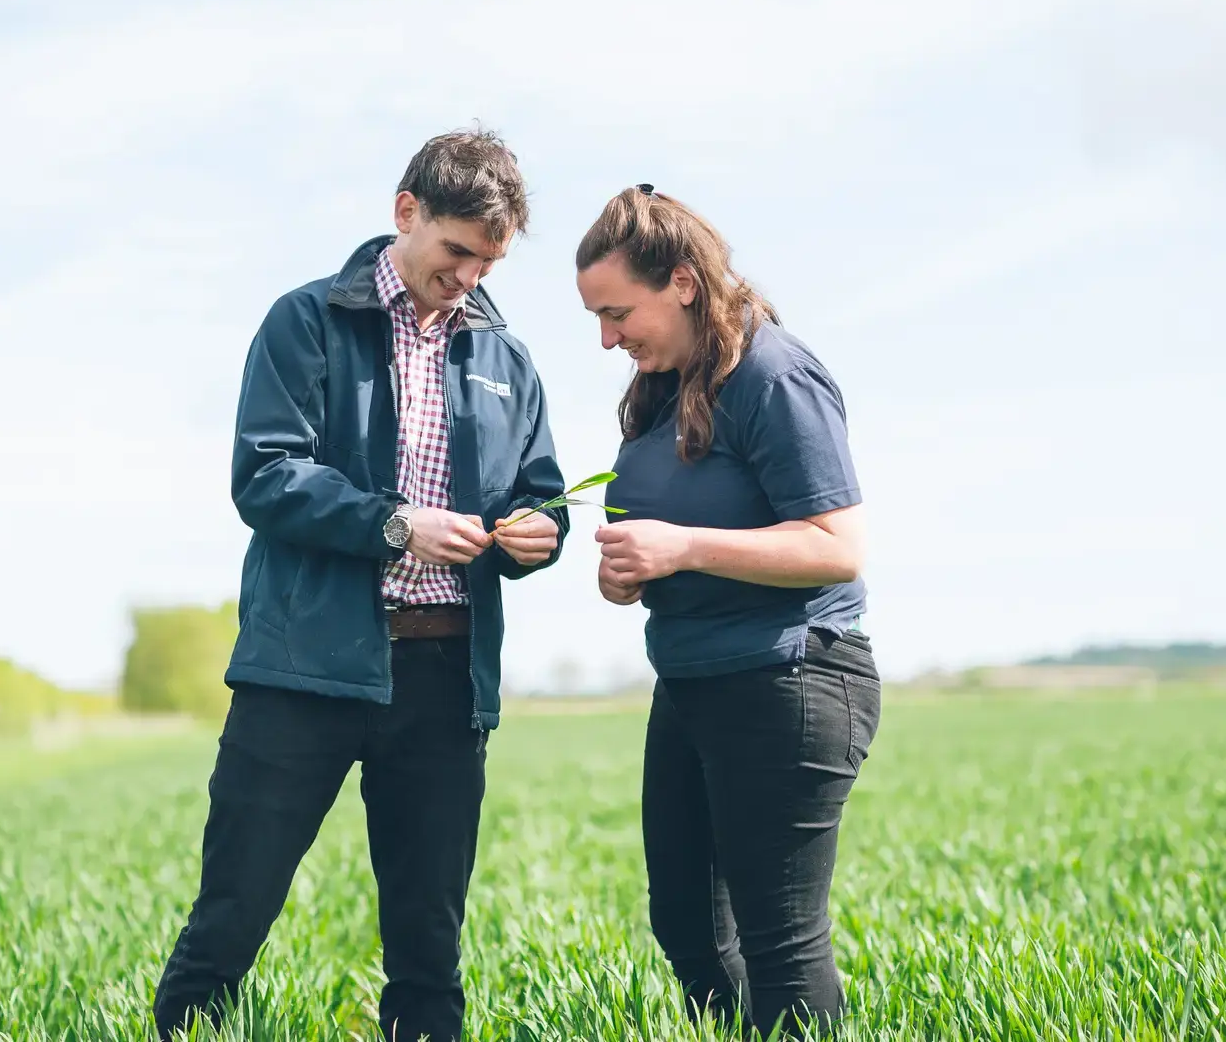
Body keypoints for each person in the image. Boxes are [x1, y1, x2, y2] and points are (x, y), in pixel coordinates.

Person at [153, 128, 568, 1042]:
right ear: (405, 212)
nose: (469, 276)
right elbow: (264, 474)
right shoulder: (304, 323)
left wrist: (541, 533)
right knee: (233, 911)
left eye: (488, 261)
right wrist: (396, 523)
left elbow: (540, 493)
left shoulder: (508, 362)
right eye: (456, 250)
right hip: (304, 670)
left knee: (430, 944)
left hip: (445, 680)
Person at [580, 184, 880, 1038]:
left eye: (616, 312)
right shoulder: (663, 386)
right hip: (691, 682)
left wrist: (683, 547)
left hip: (790, 679)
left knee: (779, 946)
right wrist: (632, 573)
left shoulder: (775, 374)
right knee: (686, 926)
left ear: (680, 280)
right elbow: (665, 529)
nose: (608, 338)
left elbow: (837, 545)